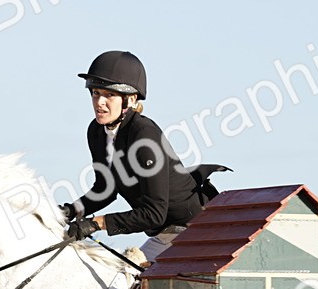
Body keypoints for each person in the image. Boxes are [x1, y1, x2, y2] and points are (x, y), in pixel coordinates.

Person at [62, 51, 228, 263]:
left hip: (192, 233)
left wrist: (95, 224)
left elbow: (154, 213)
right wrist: (69, 211)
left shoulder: (144, 134)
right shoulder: (96, 132)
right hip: (163, 235)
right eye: (95, 93)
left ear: (130, 99)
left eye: (109, 95)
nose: (99, 102)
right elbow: (105, 189)